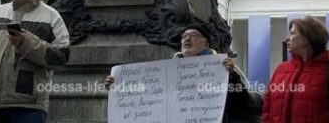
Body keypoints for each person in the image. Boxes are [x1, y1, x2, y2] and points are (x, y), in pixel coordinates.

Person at [105, 24, 251, 123]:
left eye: (193, 35)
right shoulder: (166, 72)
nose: (187, 39)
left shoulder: (221, 67)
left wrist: (231, 75)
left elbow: (242, 102)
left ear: (205, 43)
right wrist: (118, 86)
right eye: (184, 36)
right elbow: (146, 97)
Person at [263, 16, 329, 123]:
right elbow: (267, 106)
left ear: (308, 38)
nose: (287, 38)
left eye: (293, 33)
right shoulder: (281, 69)